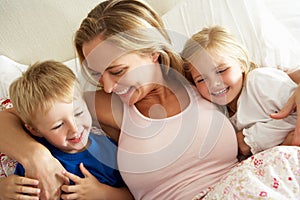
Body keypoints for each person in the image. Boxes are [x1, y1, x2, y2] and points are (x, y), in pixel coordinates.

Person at [0, 0, 299, 199]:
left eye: (117, 71)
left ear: (152, 52)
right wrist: (34, 156)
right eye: (97, 74)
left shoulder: (202, 79)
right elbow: (10, 115)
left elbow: (274, 77)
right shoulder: (107, 106)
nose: (107, 86)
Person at [0, 60, 133, 200]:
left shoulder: (109, 151)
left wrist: (103, 193)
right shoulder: (34, 164)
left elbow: (134, 195)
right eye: (58, 126)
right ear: (35, 130)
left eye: (79, 114)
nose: (74, 129)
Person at [181, 25, 298, 158]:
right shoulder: (216, 113)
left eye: (221, 71)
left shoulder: (259, 81)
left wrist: (247, 139)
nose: (214, 84)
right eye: (201, 79)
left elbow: (296, 115)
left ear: (241, 63)